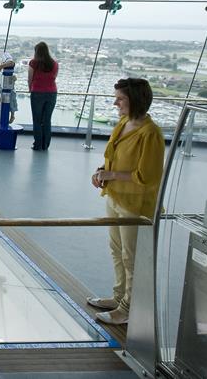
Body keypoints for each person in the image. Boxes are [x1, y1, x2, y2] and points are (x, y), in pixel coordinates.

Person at [87, 78, 164, 325]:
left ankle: (128, 308)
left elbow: (146, 176)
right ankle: (119, 296)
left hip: (136, 204)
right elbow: (115, 159)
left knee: (131, 257)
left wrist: (111, 175)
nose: (115, 103)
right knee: (117, 251)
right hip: (116, 197)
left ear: (136, 100)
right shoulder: (124, 123)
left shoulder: (150, 133)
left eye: (120, 99)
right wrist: (101, 171)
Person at [28, 41, 58, 151]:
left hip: (37, 93)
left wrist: (30, 89)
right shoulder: (54, 63)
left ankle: (38, 145)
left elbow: (30, 78)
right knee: (47, 120)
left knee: (37, 120)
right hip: (52, 93)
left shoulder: (33, 63)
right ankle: (46, 145)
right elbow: (54, 77)